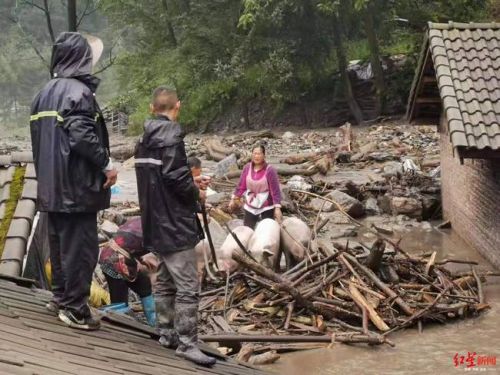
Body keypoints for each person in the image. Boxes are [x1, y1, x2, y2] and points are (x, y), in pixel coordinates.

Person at [30, 32, 117, 331]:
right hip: (76, 189)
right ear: (80, 59)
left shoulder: (43, 93)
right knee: (80, 250)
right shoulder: (79, 93)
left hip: (51, 188)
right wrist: (107, 164)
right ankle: (75, 309)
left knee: (59, 247)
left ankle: (60, 299)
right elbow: (82, 136)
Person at [135, 87, 216, 366]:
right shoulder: (170, 135)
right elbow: (175, 178)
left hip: (154, 221)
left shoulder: (143, 139)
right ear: (177, 106)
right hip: (174, 223)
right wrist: (196, 193)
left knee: (166, 281)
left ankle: (166, 333)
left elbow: (161, 180)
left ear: (151, 107)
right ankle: (187, 343)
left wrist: (189, 183)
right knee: (187, 286)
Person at [98, 217, 157, 326]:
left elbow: (128, 242)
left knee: (144, 285)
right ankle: (108, 318)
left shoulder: (140, 220)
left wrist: (141, 259)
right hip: (115, 261)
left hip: (110, 255)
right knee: (120, 303)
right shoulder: (157, 229)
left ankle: (154, 322)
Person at [228, 144, 282, 228]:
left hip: (267, 206)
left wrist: (277, 208)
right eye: (254, 153)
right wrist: (234, 199)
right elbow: (241, 186)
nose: (256, 156)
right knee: (247, 230)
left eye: (259, 153)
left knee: (266, 231)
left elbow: (275, 190)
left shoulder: (270, 170)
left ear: (264, 155)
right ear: (252, 155)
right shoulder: (247, 168)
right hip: (251, 205)